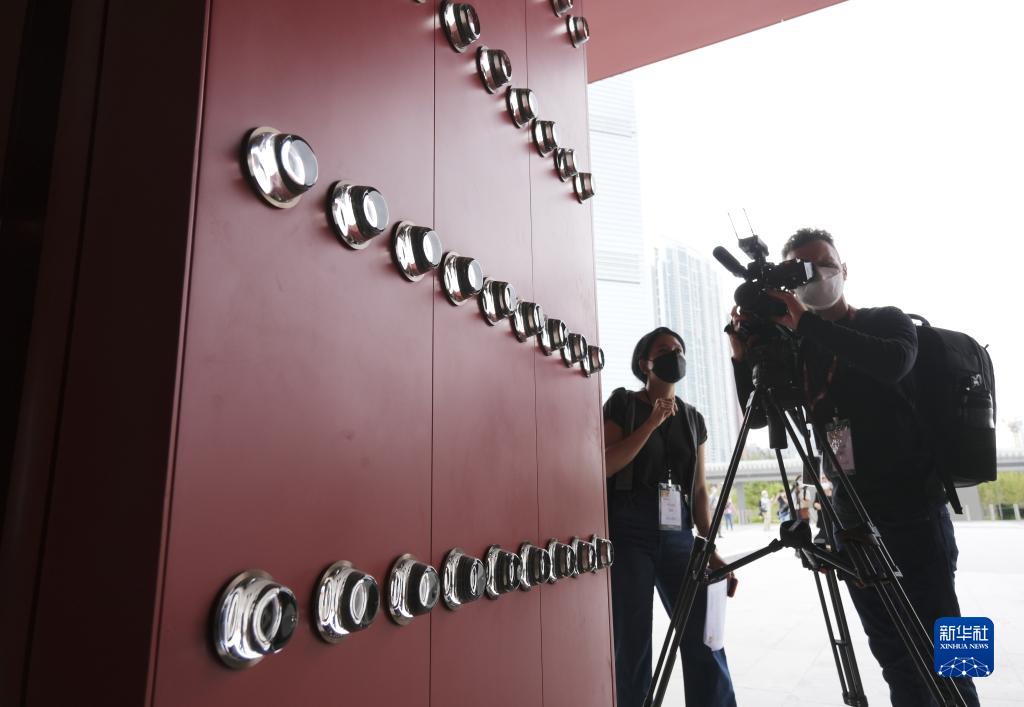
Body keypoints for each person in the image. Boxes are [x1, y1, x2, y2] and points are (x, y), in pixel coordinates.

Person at [727, 228, 979, 706]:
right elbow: (760, 417)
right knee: (893, 655)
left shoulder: (887, 320)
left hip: (916, 513)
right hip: (853, 521)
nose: (816, 275)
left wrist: (805, 324)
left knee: (950, 651)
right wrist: (743, 359)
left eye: (824, 264)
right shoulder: (801, 349)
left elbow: (893, 363)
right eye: (803, 270)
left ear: (844, 269)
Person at [604, 327, 737, 707]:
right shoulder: (623, 404)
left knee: (705, 636)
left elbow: (699, 490)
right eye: (664, 349)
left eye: (678, 349)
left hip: (679, 533)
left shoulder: (694, 418)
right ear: (645, 363)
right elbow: (605, 464)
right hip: (630, 531)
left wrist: (710, 549)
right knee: (632, 641)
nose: (673, 354)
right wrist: (651, 423)